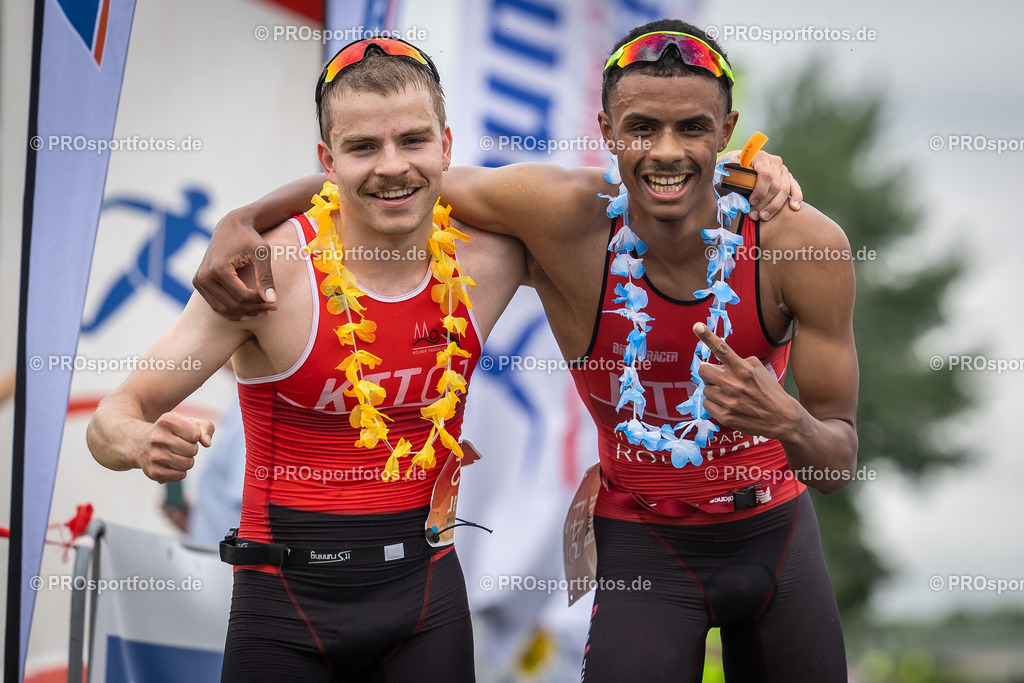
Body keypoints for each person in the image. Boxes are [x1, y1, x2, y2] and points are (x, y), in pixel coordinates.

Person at [195, 20, 857, 682]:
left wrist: (788, 421)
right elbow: (388, 183)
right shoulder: (559, 215)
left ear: (727, 129)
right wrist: (242, 220)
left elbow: (839, 460)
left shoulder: (800, 244)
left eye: (692, 128)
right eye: (642, 128)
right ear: (606, 130)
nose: (666, 152)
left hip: (773, 535)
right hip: (648, 542)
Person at [88, 38, 528, 681]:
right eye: (361, 148)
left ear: (447, 146)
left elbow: (611, 227)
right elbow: (112, 416)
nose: (392, 166)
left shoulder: (492, 259)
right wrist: (137, 439)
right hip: (284, 610)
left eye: (413, 141)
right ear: (327, 160)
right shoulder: (267, 274)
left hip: (426, 602)